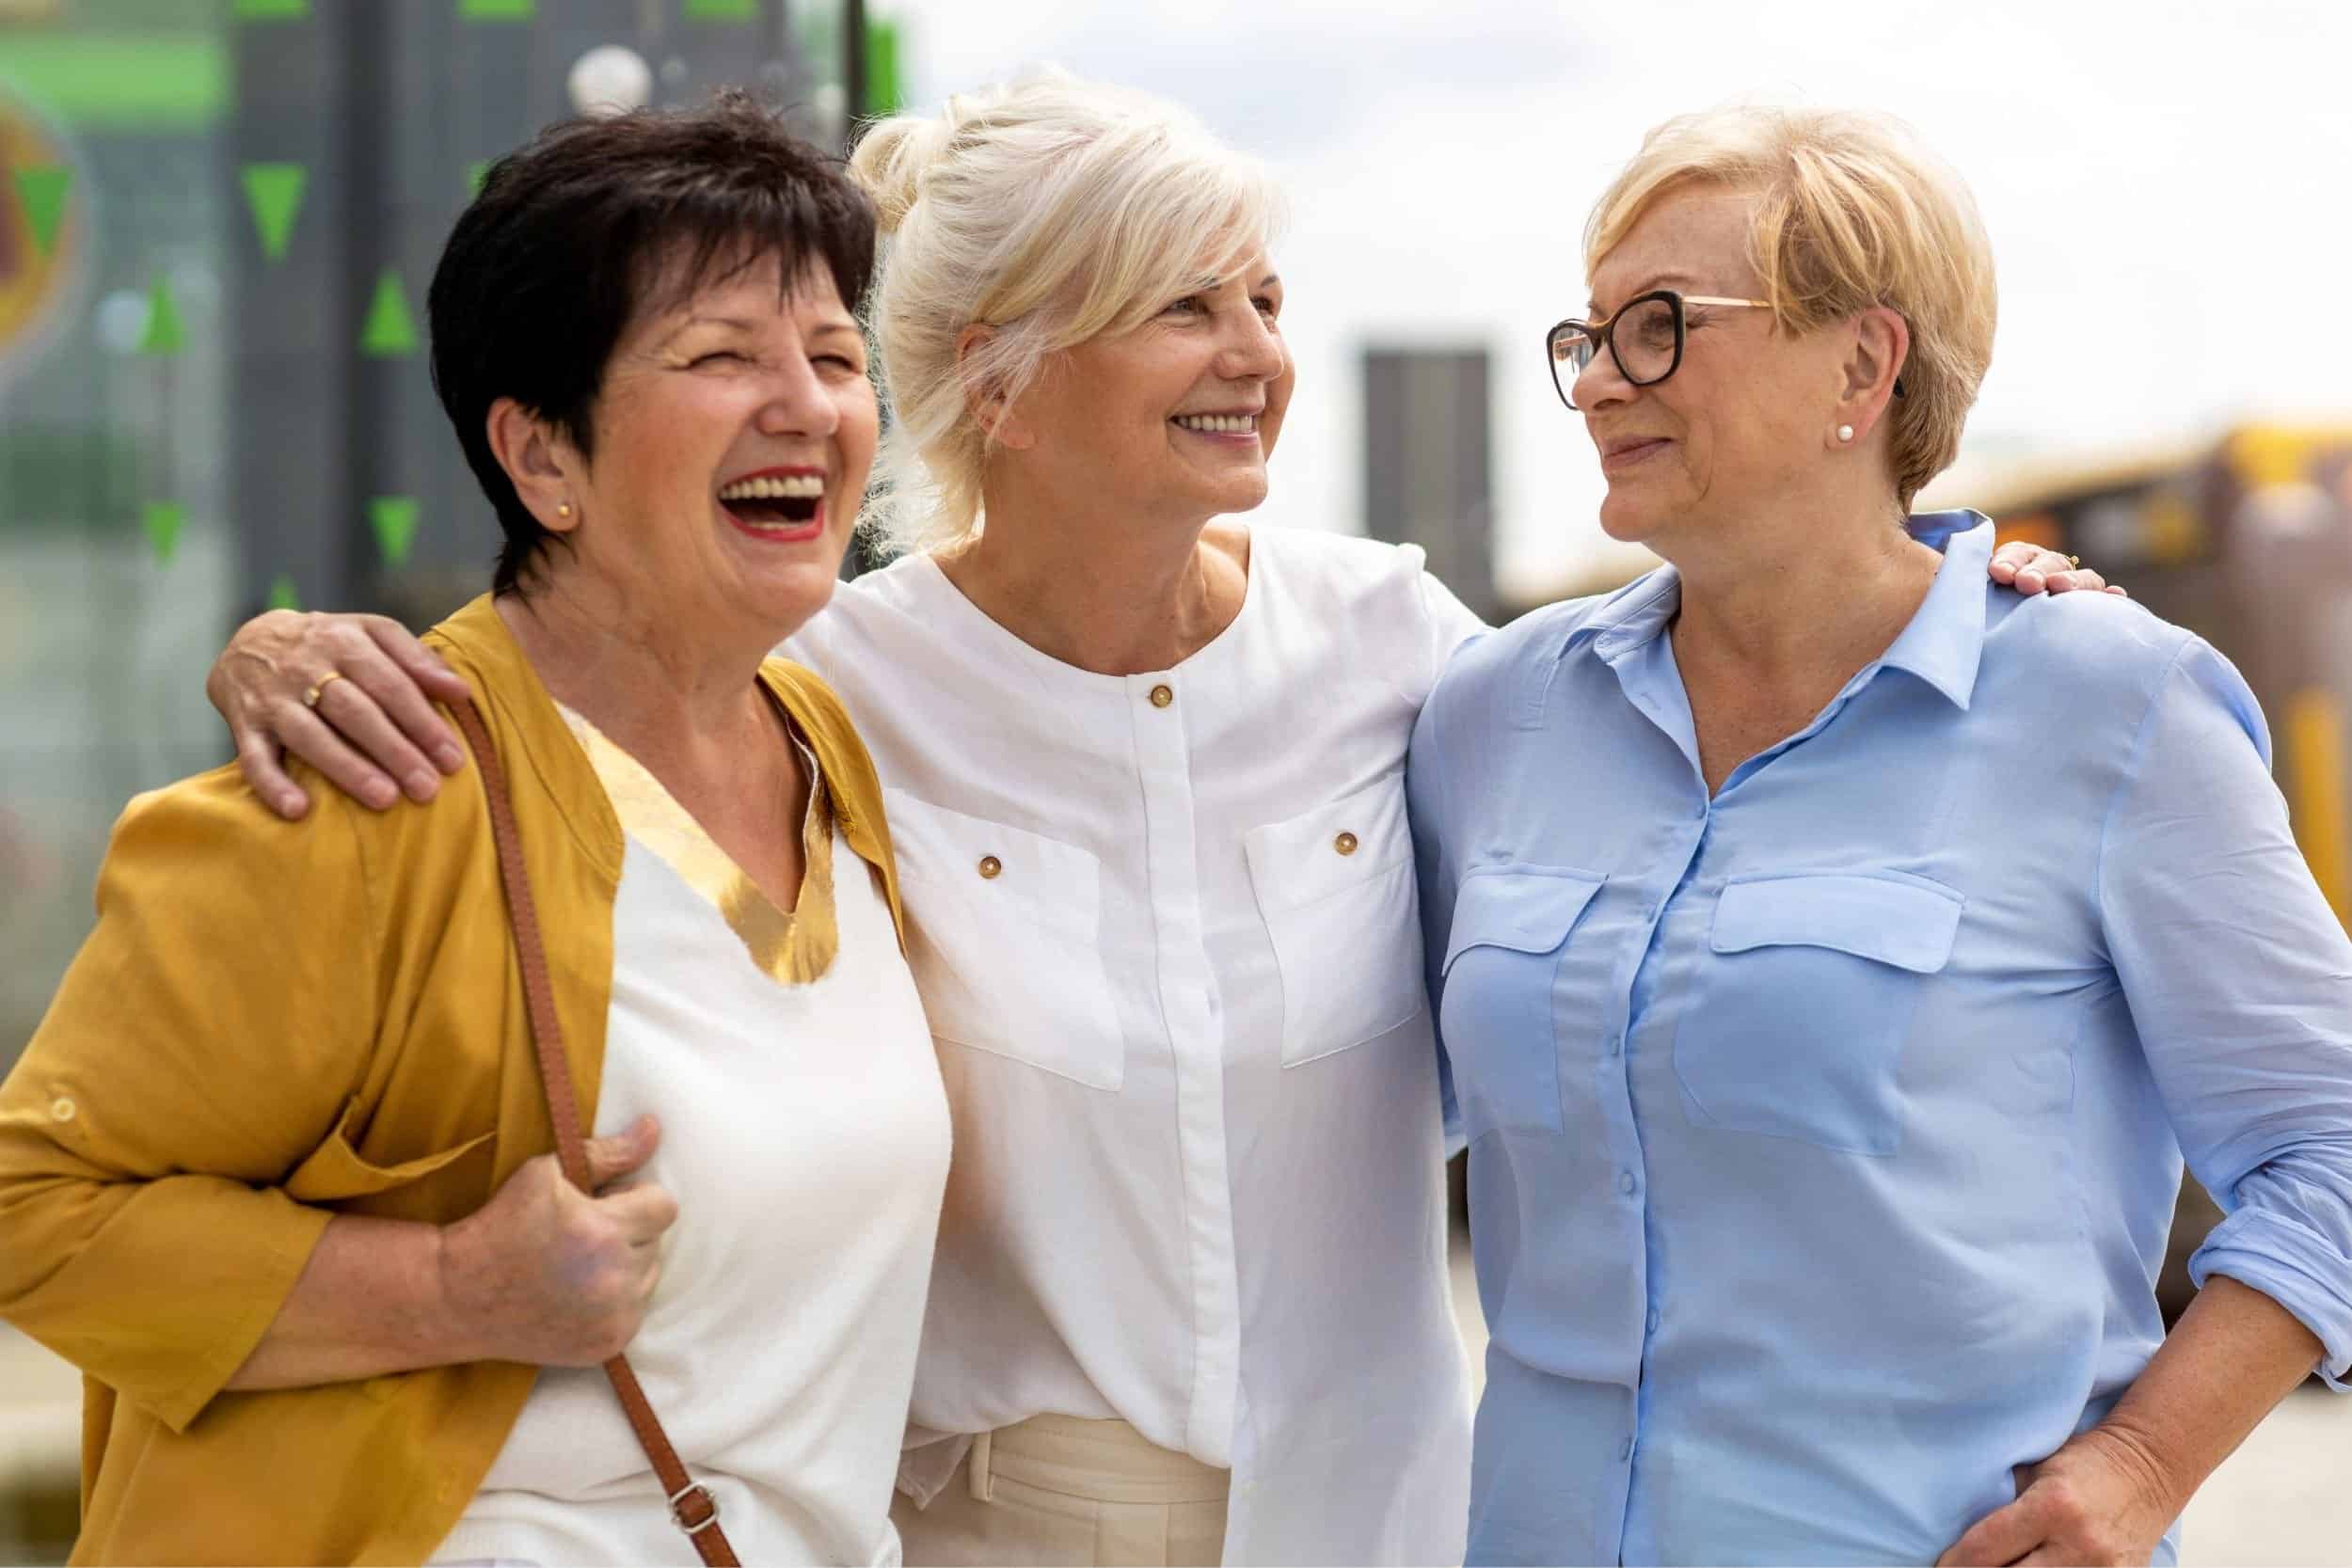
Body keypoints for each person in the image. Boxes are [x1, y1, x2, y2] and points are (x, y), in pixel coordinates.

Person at [199, 77, 2111, 1568]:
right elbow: (575, 684)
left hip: (1386, 1523)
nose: (1253, 352)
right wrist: (283, 650)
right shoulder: (826, 691)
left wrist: (1949, 609)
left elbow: (1714, 772)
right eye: (1180, 307)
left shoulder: (1403, 651)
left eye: (1262, 298)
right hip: (994, 1532)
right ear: (998, 385)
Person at [0, 95, 950, 1565]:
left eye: (834, 357)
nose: (808, 405)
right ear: (542, 459)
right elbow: (34, 1210)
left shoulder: (831, 745)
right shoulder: (366, 787)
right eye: (719, 357)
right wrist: (450, 1287)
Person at [1409, 103, 2352, 1566]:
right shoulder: (1495, 712)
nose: (1597, 382)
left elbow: (2333, 1145)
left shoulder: (2112, 709)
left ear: (1862, 361)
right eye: (1584, 338)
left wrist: (2145, 1467)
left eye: (1659, 327)